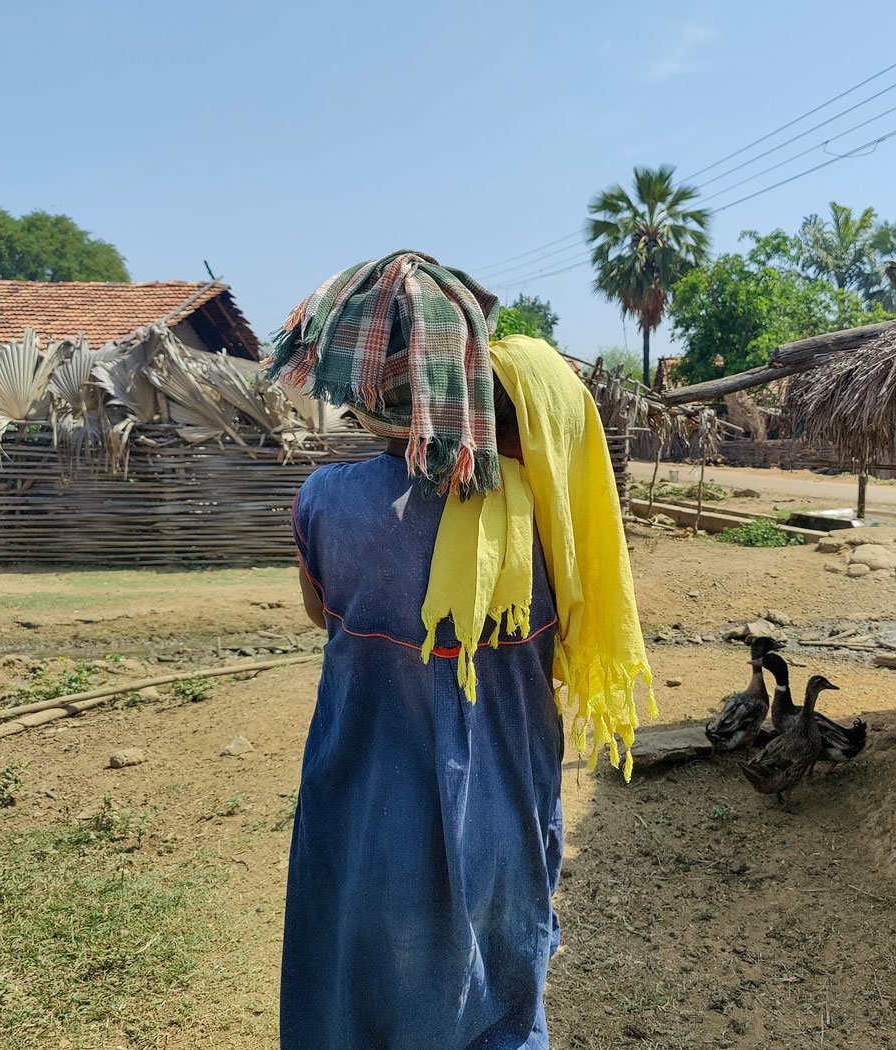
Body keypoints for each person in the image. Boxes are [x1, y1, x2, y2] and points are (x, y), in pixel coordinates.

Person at [268, 251, 653, 1049]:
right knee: (503, 993)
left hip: (367, 803)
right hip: (507, 802)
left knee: (360, 977)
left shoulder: (326, 502)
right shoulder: (547, 513)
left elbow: (321, 613)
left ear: (362, 383)